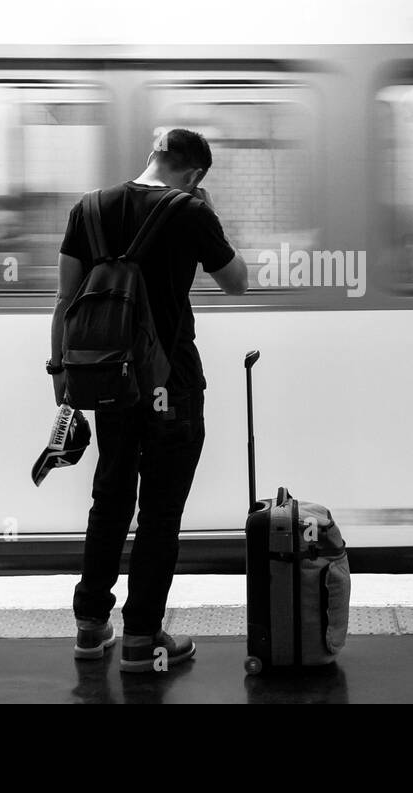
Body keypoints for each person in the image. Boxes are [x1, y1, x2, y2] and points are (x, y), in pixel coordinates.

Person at [47, 128, 249, 672]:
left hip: (110, 383)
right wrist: (207, 212)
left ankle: (91, 629)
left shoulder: (89, 208)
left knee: (109, 497)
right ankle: (142, 639)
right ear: (196, 173)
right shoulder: (190, 210)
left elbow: (66, 300)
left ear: (151, 157)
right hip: (171, 385)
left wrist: (60, 377)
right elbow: (237, 283)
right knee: (160, 513)